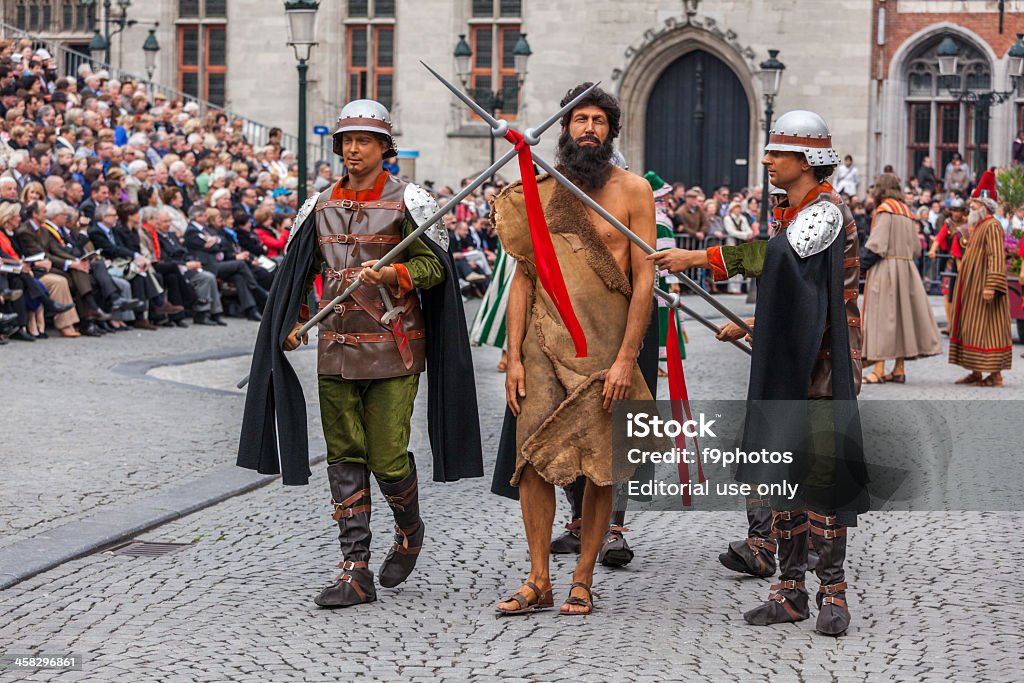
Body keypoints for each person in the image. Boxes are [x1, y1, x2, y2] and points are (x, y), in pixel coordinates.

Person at [237, 99, 482, 609]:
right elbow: (300, 273)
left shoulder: (411, 202)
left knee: (388, 455)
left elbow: (437, 271)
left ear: (384, 148)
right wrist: (294, 321)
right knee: (345, 456)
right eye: (347, 141)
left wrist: (396, 273)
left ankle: (410, 530)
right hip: (336, 351)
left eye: (363, 141)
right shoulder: (319, 205)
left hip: (393, 353)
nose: (353, 149)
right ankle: (355, 569)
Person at [652, 110, 867, 636]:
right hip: (788, 357)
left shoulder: (826, 212)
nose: (767, 159)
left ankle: (832, 594)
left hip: (821, 367)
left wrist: (697, 256)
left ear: (808, 160)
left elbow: (775, 260)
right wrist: (754, 324)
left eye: (777, 152)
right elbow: (795, 291)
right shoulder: (789, 211)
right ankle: (790, 592)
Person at [492, 83, 656, 616]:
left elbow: (644, 277)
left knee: (601, 465)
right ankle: (538, 578)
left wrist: (628, 358)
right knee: (532, 460)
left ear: (611, 132)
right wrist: (513, 356)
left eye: (598, 121)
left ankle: (583, 577)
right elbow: (523, 278)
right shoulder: (542, 190)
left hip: (605, 351)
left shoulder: (634, 191)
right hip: (542, 343)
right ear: (564, 130)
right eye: (579, 120)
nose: (588, 128)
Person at [860, 173, 941, 384]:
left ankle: (878, 369)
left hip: (886, 268)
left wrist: (860, 265)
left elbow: (878, 244)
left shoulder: (885, 210)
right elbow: (916, 249)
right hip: (906, 269)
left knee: (882, 320)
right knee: (901, 321)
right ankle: (899, 368)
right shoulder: (907, 211)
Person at [948, 171, 1012, 387]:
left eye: (975, 203)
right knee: (973, 329)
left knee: (989, 330)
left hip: (985, 287)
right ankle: (976, 371)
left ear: (984, 205)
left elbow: (996, 256)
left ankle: (995, 375)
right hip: (972, 287)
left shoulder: (992, 225)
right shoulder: (980, 225)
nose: (971, 206)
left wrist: (991, 286)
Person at [927, 197, 968, 334]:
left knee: (965, 293)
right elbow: (939, 238)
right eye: (954, 211)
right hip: (951, 261)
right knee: (947, 293)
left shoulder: (969, 224)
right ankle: (951, 324)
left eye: (958, 211)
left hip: (967, 261)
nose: (956, 214)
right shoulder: (948, 224)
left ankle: (963, 325)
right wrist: (933, 250)